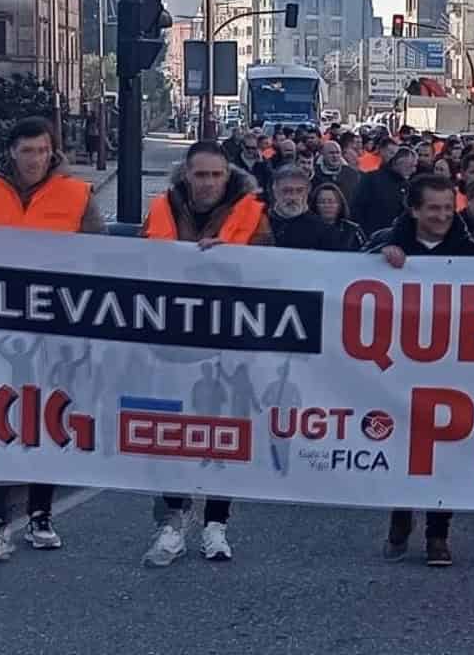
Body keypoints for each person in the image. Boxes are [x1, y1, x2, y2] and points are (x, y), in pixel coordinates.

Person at [0, 117, 105, 560]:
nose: (33, 159)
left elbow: (102, 257)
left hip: (57, 327)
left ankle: (40, 513)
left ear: (51, 152)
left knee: (46, 420)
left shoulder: (77, 196)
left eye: (41, 150)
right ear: (12, 153)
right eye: (25, 151)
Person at [141, 142, 270, 568]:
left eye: (216, 175)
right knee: (173, 431)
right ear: (186, 175)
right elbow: (141, 261)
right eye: (201, 175)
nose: (209, 183)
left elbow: (274, 266)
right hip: (175, 334)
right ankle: (174, 520)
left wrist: (235, 261)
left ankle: (217, 523)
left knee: (223, 430)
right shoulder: (163, 207)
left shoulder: (252, 211)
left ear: (227, 175)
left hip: (229, 336)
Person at [372, 174, 474, 567]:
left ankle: (439, 534)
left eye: (447, 208)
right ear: (415, 210)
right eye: (433, 208)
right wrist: (382, 255)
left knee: (445, 452)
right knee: (403, 447)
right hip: (401, 369)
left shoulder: (473, 254)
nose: (441, 216)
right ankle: (400, 521)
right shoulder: (386, 245)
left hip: (452, 369)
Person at [264, 165, 345, 251]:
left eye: (299, 191)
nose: (293, 197)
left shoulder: (325, 232)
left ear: (307, 192)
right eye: (287, 191)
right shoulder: (260, 222)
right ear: (275, 191)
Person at [350, 140, 415, 233]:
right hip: (371, 236)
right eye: (410, 166)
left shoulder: (407, 185)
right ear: (398, 163)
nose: (413, 170)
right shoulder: (371, 179)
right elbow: (357, 207)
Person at [309, 180, 366, 252]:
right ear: (315, 205)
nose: (327, 206)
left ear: (340, 204)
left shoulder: (353, 230)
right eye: (322, 202)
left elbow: (365, 253)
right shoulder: (307, 228)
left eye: (331, 201)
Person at [317, 139, 361, 206]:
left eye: (337, 153)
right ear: (323, 154)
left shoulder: (352, 174)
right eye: (331, 153)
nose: (335, 156)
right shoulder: (315, 173)